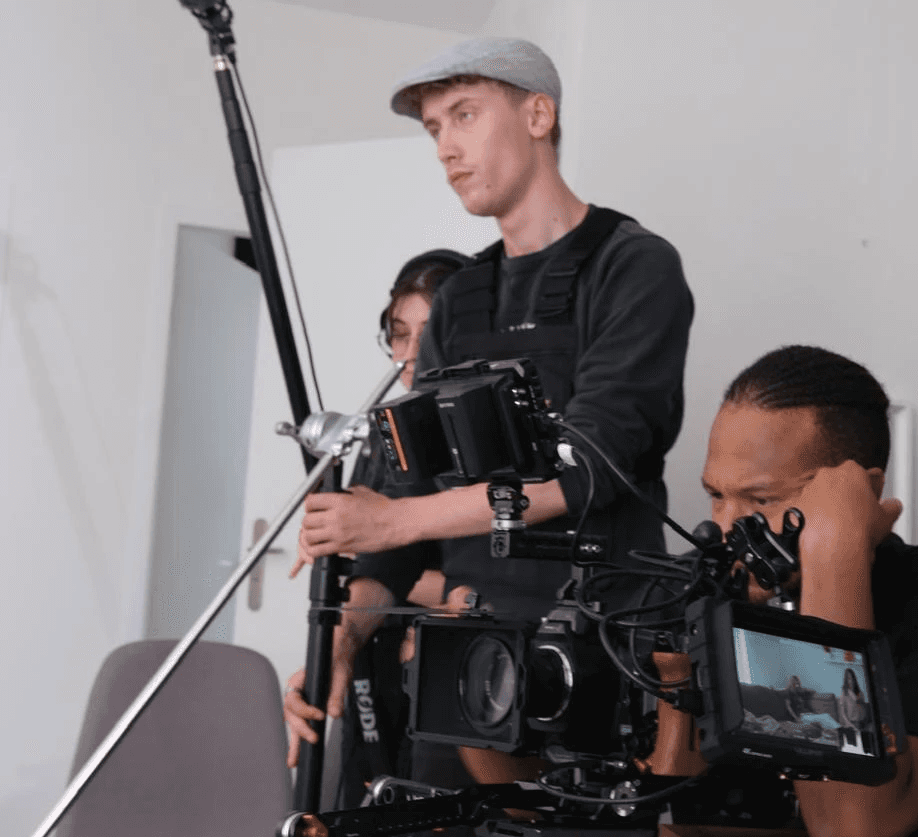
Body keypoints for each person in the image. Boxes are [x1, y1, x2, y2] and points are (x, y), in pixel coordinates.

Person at [290, 36, 693, 783]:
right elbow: (405, 508)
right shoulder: (459, 299)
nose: (446, 147)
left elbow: (584, 473)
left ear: (538, 115)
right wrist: (338, 647)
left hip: (592, 656)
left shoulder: (633, 266)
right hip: (461, 661)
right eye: (434, 128)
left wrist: (392, 520)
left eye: (465, 114)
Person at [703, 345, 918, 837]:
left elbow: (851, 826)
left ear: (863, 490)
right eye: (716, 495)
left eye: (762, 499)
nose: (727, 529)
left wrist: (834, 556)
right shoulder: (696, 591)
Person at [281, 249, 472, 805]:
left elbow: (481, 590)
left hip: (461, 684)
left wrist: (389, 554)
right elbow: (373, 572)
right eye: (398, 334)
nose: (408, 355)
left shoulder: (491, 442)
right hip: (377, 663)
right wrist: (337, 643)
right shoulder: (383, 437)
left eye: (428, 335)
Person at [836, 667, 872, 754]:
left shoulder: (859, 691)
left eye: (852, 677)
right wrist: (850, 724)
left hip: (863, 720)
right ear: (846, 679)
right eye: (848, 678)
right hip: (853, 722)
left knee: (867, 748)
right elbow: (843, 712)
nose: (850, 680)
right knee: (855, 747)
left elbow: (864, 705)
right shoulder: (844, 692)